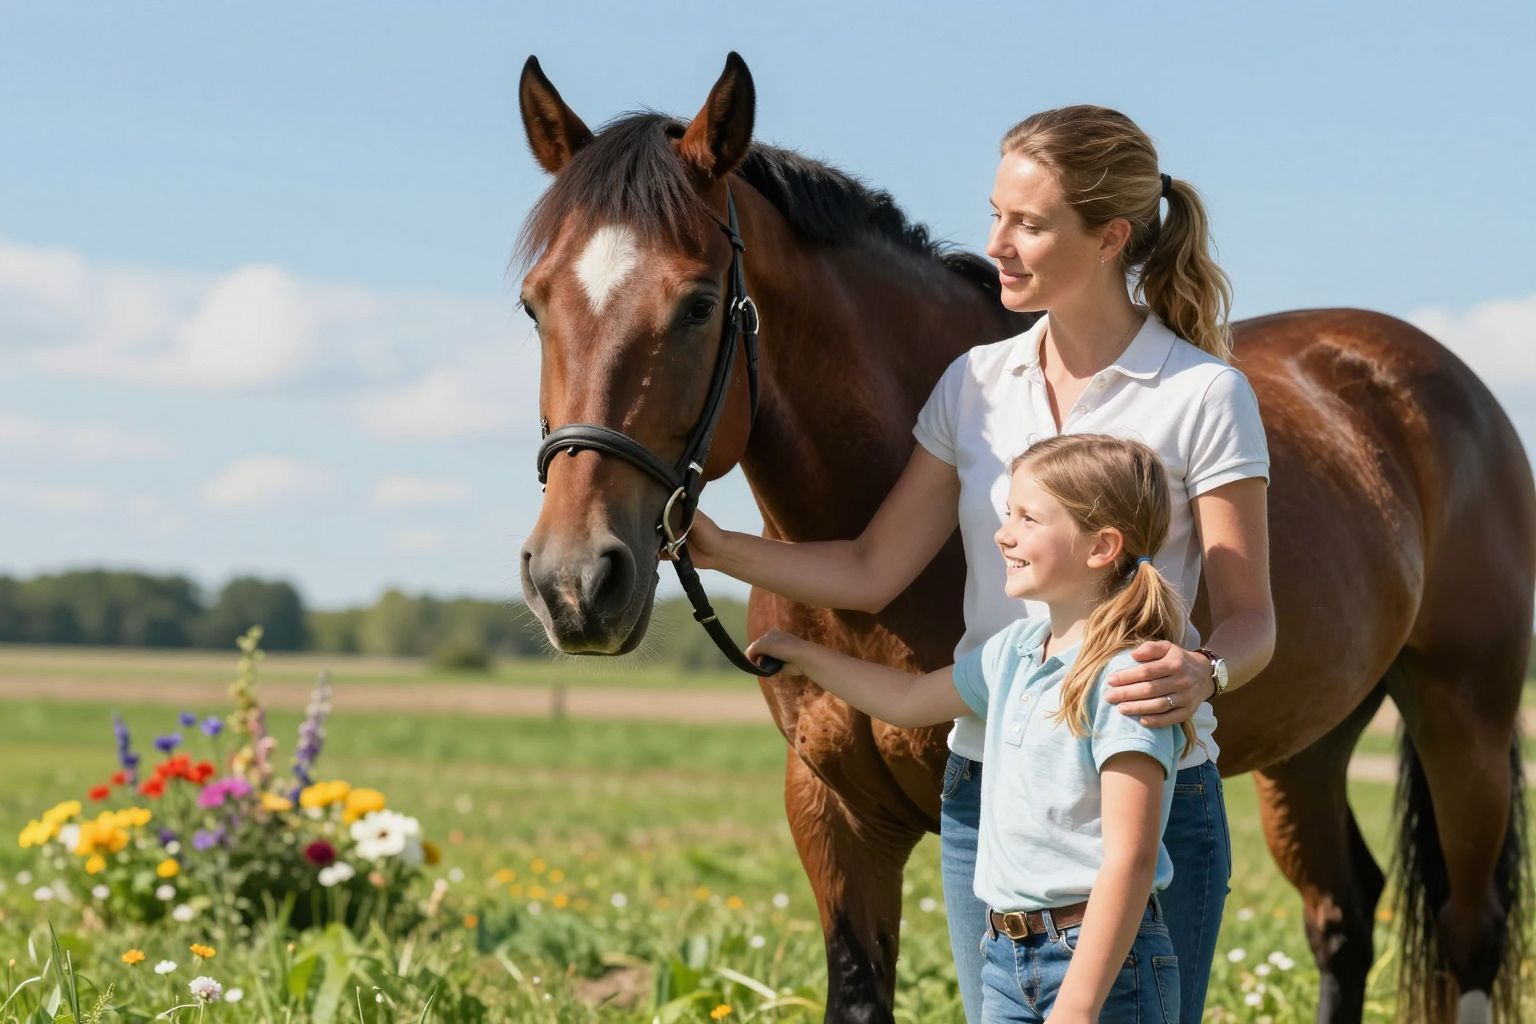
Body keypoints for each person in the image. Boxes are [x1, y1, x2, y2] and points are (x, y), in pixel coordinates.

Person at [688, 104, 1274, 1021]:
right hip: (988, 791)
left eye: (1029, 224)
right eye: (994, 213)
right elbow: (872, 567)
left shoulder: (1203, 395)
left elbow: (1252, 617)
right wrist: (721, 550)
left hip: (1143, 795)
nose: (995, 242)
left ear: (1110, 235)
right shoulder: (975, 383)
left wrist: (1208, 670)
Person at [747, 435, 1196, 1023]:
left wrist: (1079, 1007)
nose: (1002, 535)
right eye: (1007, 514)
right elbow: (908, 699)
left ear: (1101, 547)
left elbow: (1130, 860)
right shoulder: (1013, 652)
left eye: (1028, 518)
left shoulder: (1124, 681)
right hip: (1006, 958)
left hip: (1103, 969)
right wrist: (806, 655)